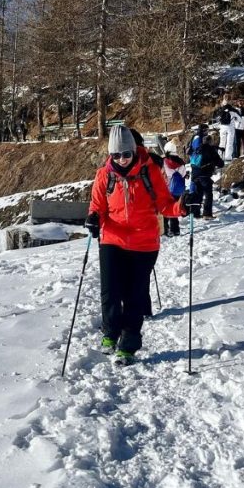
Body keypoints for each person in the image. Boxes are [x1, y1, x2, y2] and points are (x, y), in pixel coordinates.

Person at [84, 125, 186, 365]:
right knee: (110, 291)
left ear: (134, 150)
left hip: (144, 242)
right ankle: (110, 333)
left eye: (126, 154)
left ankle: (129, 344)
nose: (121, 159)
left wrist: (181, 206)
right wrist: (93, 218)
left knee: (134, 295)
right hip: (112, 238)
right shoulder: (104, 175)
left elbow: (164, 205)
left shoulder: (150, 172)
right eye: (116, 155)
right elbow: (97, 206)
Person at [185, 124, 224, 219]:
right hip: (205, 175)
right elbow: (220, 163)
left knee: (198, 194)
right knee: (208, 195)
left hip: (195, 172)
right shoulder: (210, 149)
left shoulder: (196, 143)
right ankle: (207, 214)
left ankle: (195, 213)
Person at [161, 140, 187, 237]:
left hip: (167, 189)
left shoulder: (164, 162)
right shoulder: (181, 163)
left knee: (165, 209)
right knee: (174, 208)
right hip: (178, 190)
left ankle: (166, 229)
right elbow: (184, 174)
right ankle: (175, 229)